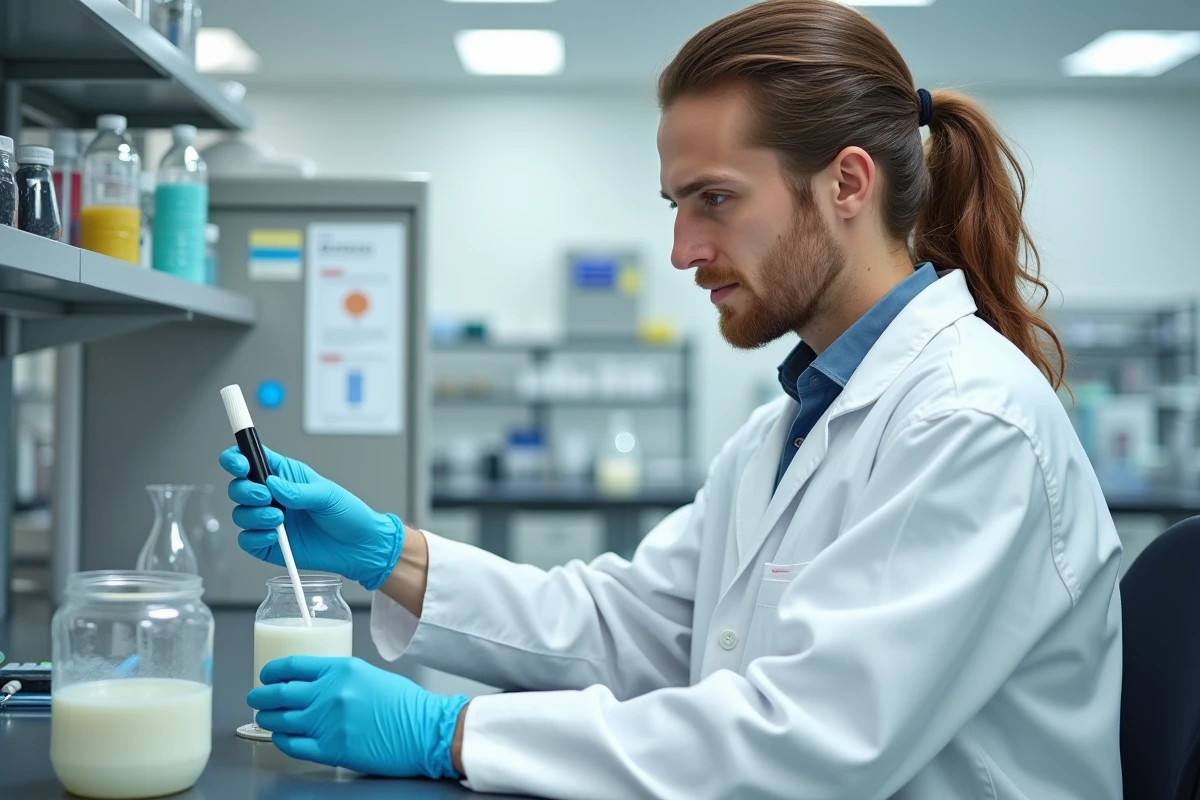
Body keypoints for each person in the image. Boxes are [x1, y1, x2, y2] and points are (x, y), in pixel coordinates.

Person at [222, 1, 1124, 797]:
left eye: (716, 199)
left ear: (848, 184)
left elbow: (808, 746)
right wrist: (390, 555)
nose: (684, 248)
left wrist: (448, 734)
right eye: (675, 204)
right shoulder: (788, 429)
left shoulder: (970, 423)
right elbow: (633, 627)